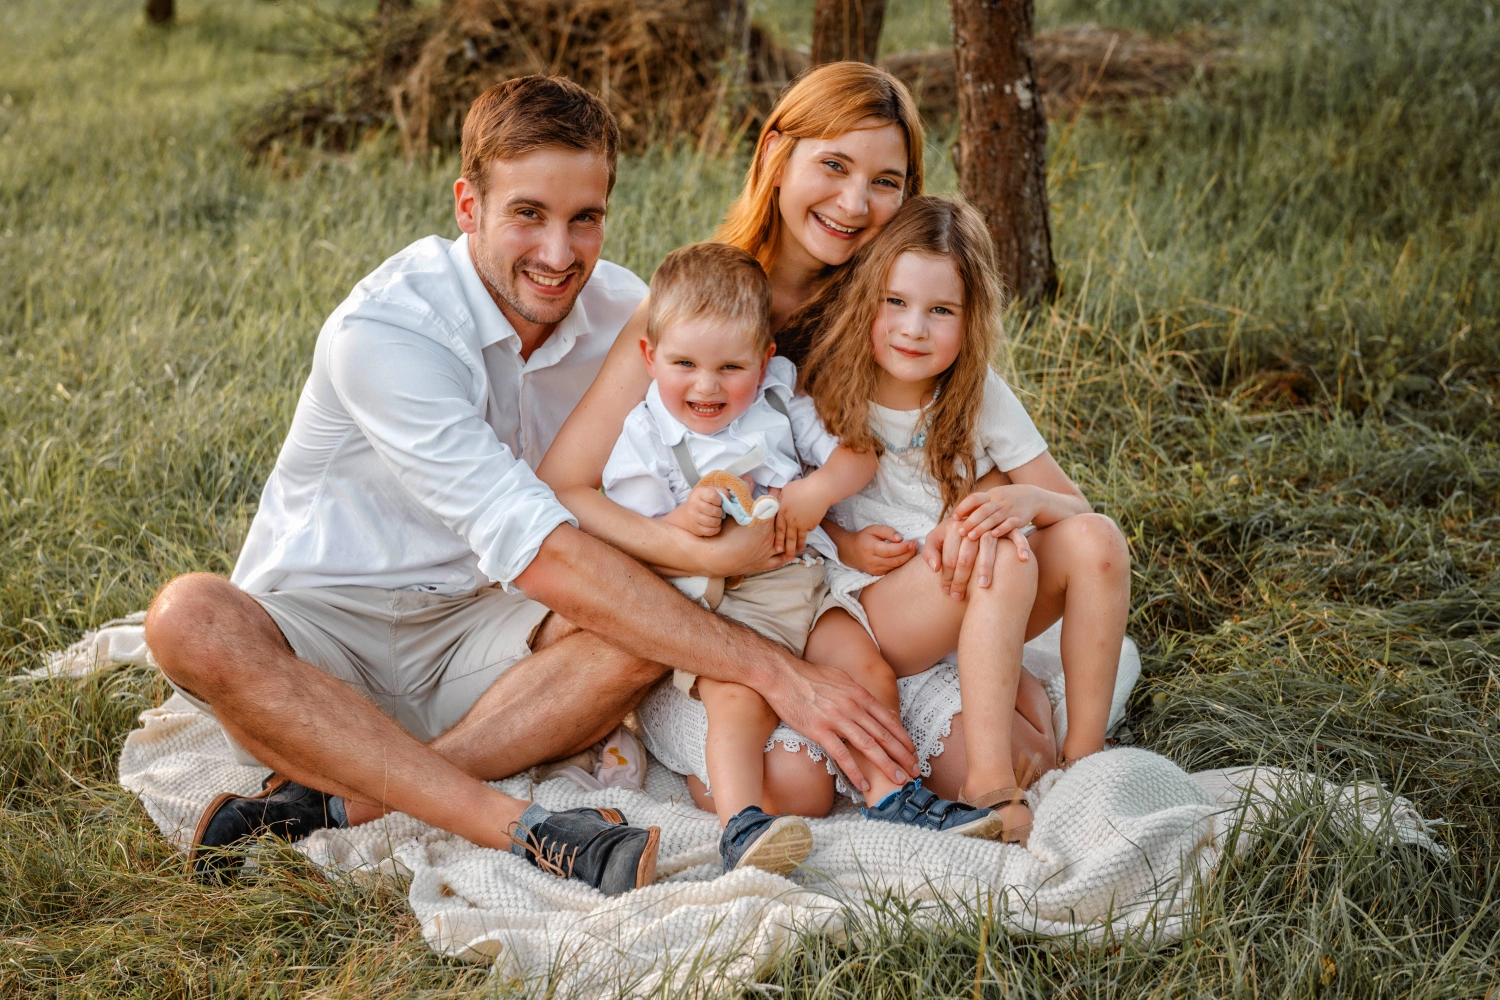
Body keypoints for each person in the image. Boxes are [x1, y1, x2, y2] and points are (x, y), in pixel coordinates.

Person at [142, 75, 916, 896]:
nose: (559, 253)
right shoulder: (388, 333)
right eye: (528, 215)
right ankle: (520, 828)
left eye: (584, 218)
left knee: (650, 605)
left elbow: (714, 403)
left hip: (495, 637)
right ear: (467, 205)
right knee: (188, 616)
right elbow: (541, 547)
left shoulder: (624, 312)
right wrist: (775, 672)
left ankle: (355, 794)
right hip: (329, 628)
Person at [538, 62, 1060, 808]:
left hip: (845, 600)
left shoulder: (890, 310)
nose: (854, 203)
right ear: (775, 155)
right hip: (712, 611)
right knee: (795, 788)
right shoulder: (695, 308)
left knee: (1009, 757)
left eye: (886, 181)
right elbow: (565, 485)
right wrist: (690, 548)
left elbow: (953, 438)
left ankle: (980, 689)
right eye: (835, 165)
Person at [782, 195, 1133, 844]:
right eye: (896, 302)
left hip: (971, 592)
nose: (914, 328)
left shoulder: (976, 394)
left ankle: (1087, 758)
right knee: (995, 550)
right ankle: (988, 784)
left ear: (970, 321)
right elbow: (784, 500)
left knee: (1098, 542)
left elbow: (1075, 507)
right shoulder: (823, 384)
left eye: (940, 311)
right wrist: (847, 540)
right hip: (872, 610)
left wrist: (1028, 502)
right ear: (866, 296)